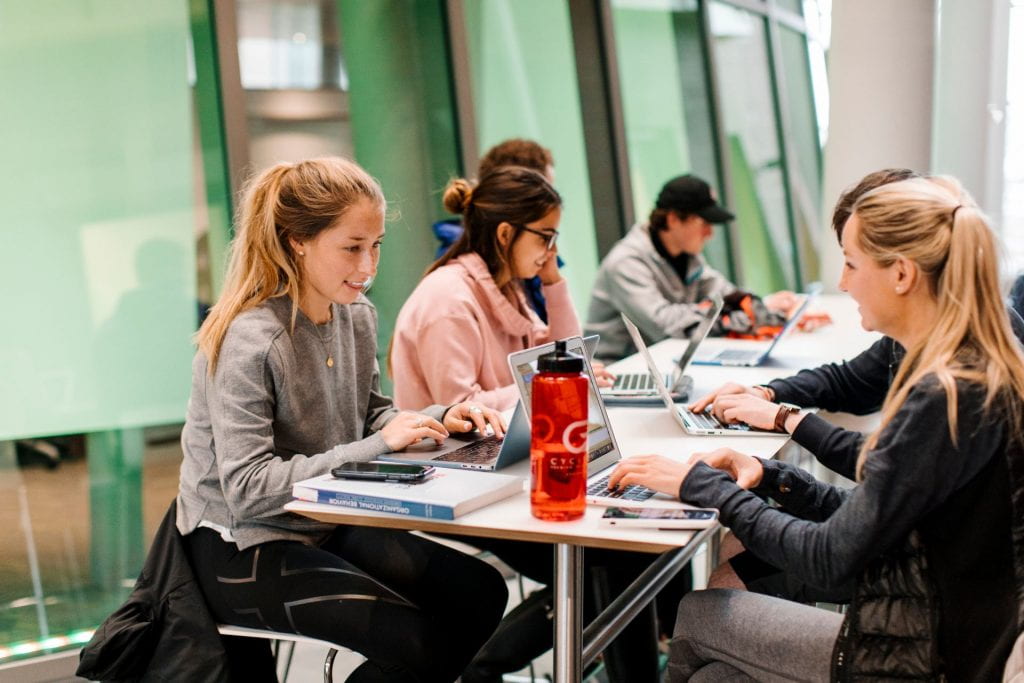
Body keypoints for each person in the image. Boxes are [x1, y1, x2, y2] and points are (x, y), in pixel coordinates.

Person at [609, 175, 1024, 681]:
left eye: (851, 263)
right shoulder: (971, 366)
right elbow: (875, 514)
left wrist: (704, 487)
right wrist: (769, 477)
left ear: (901, 274)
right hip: (938, 628)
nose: (843, 283)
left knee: (701, 613)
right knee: (716, 677)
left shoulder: (945, 395)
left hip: (920, 656)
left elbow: (831, 558)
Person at [176, 157, 510, 682]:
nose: (368, 265)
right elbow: (246, 487)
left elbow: (369, 413)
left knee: (482, 592)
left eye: (376, 244)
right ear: (297, 241)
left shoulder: (355, 314)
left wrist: (439, 418)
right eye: (352, 247)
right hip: (239, 545)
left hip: (320, 525)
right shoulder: (249, 339)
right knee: (419, 642)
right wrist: (379, 444)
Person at [392, 165, 581, 411]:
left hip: (495, 440)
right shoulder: (448, 299)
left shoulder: (507, 287)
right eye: (545, 238)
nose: (552, 252)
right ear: (505, 234)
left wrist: (553, 283)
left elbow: (565, 357)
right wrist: (547, 385)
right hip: (450, 447)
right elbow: (460, 409)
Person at [586, 174, 799, 360]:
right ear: (673, 220)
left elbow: (726, 295)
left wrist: (763, 306)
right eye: (703, 223)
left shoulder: (689, 256)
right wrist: (723, 311)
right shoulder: (626, 262)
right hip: (619, 371)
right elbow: (665, 325)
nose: (710, 233)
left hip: (663, 362)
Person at [432, 138, 559, 321]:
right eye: (546, 193)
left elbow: (558, 345)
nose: (553, 203)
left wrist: (554, 283)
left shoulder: (512, 277)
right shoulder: (455, 290)